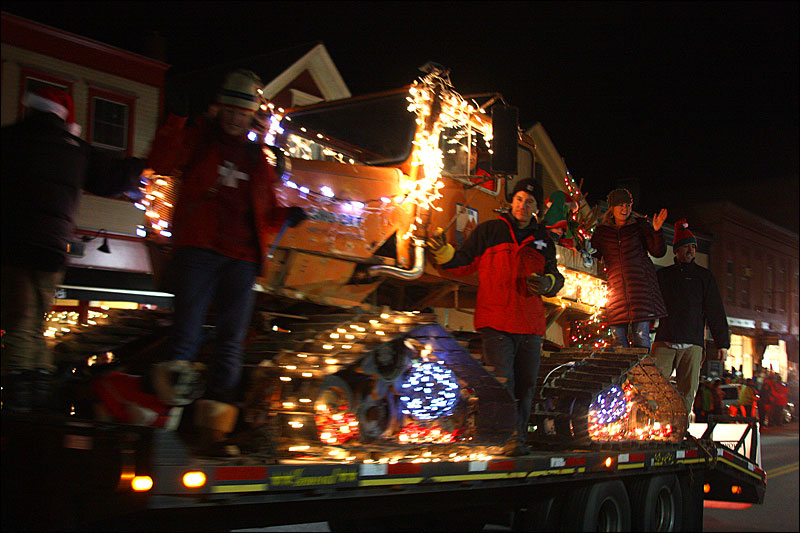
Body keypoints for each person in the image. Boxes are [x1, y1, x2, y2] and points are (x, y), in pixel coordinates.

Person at [146, 69, 305, 455]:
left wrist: (286, 216)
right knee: (186, 334)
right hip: (200, 249)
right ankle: (169, 424)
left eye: (243, 112)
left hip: (241, 257)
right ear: (220, 109)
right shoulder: (199, 139)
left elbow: (261, 208)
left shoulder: (256, 158)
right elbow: (162, 161)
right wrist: (177, 119)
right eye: (230, 110)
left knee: (231, 341)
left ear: (251, 115)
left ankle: (213, 430)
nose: (235, 118)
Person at [1, 86, 145, 412]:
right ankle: (37, 395)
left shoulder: (9, 140)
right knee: (36, 324)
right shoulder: (76, 149)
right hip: (52, 247)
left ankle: (18, 405)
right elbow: (110, 179)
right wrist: (143, 166)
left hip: (13, 243)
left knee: (19, 322)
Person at [427, 178, 564, 456]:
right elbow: (463, 262)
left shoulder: (543, 241)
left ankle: (518, 439)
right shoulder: (490, 230)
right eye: (519, 199)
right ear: (512, 201)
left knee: (525, 387)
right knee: (503, 382)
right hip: (496, 322)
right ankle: (504, 439)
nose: (523, 205)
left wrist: (547, 283)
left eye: (530, 202)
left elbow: (557, 277)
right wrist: (441, 250)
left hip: (530, 326)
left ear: (536, 207)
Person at [652, 219, 730, 415]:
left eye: (693, 247)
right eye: (686, 247)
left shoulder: (704, 277)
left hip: (692, 343)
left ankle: (680, 431)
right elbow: (651, 303)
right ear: (676, 251)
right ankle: (653, 426)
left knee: (687, 393)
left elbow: (715, 311)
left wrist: (723, 343)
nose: (690, 251)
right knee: (652, 387)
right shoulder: (664, 276)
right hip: (665, 340)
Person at [590, 188, 667, 348]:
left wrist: (657, 231)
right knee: (618, 338)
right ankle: (624, 373)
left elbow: (658, 251)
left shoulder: (639, 226)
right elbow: (593, 254)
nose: (625, 209)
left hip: (641, 290)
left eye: (628, 205)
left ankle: (641, 372)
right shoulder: (602, 232)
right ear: (612, 207)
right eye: (620, 205)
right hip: (616, 291)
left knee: (641, 336)